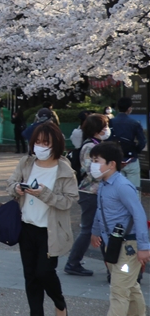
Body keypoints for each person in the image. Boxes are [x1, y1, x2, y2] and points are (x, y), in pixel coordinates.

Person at [6, 123, 77, 316]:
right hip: (26, 226)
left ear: (55, 144)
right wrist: (17, 188)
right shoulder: (26, 162)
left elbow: (69, 200)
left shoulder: (64, 169)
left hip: (50, 230)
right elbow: (9, 184)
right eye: (37, 142)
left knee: (44, 272)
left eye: (45, 143)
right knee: (30, 275)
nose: (40, 146)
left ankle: (59, 303)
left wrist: (45, 194)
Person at [90, 142, 150, 316]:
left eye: (96, 160)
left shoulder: (122, 186)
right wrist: (95, 231)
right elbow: (100, 210)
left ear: (111, 164)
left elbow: (139, 215)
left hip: (128, 247)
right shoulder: (104, 184)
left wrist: (144, 247)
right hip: (114, 245)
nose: (92, 164)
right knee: (130, 286)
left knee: (118, 289)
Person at [64, 114, 109, 276]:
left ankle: (110, 264)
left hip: (94, 192)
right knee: (89, 229)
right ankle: (73, 262)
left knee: (100, 228)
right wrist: (110, 170)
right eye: (104, 126)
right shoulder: (90, 147)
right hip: (90, 192)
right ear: (96, 129)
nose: (106, 129)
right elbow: (92, 172)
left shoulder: (96, 144)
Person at [108, 97, 146, 188]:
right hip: (131, 159)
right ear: (129, 108)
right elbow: (142, 142)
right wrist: (135, 151)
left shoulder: (111, 122)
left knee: (118, 188)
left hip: (115, 160)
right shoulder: (134, 123)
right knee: (134, 188)